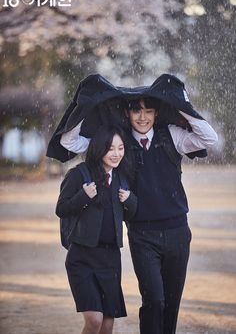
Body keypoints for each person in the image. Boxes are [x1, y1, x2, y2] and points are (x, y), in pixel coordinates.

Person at [60, 95, 218, 334]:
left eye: (149, 111)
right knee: (154, 300)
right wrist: (89, 104)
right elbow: (70, 142)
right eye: (136, 111)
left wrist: (181, 104)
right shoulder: (118, 143)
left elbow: (210, 137)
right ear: (127, 113)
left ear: (157, 113)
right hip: (142, 235)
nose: (142, 118)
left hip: (177, 231)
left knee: (171, 304)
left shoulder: (171, 135)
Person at [56, 125, 137, 334]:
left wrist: (130, 201)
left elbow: (130, 214)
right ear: (99, 148)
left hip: (110, 259)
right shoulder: (79, 174)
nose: (116, 154)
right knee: (94, 320)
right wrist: (83, 196)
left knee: (107, 325)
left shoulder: (122, 177)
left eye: (120, 148)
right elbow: (61, 209)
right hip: (82, 258)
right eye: (110, 148)